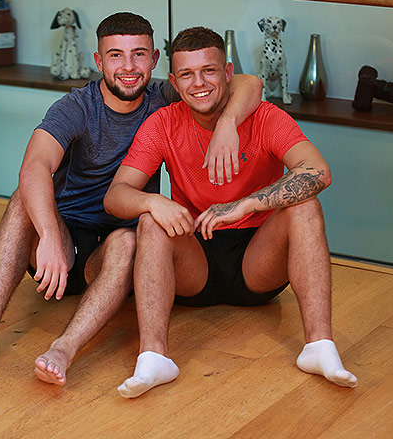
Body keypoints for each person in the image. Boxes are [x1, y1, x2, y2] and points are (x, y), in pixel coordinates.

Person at [0, 13, 263, 386]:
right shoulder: (76, 107)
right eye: (116, 55)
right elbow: (34, 167)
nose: (128, 67)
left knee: (127, 241)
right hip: (61, 246)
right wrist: (48, 235)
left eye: (139, 54)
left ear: (154, 60)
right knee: (22, 199)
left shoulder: (165, 95)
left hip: (117, 248)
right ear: (99, 61)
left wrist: (227, 124)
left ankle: (63, 349)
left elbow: (249, 82)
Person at [104, 26, 358, 398]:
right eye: (187, 74)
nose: (198, 83)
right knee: (149, 220)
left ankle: (319, 348)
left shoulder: (266, 117)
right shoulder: (163, 123)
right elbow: (116, 195)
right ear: (174, 82)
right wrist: (152, 201)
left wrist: (247, 204)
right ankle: (153, 358)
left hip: (259, 260)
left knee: (306, 205)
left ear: (228, 73)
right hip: (195, 260)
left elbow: (318, 172)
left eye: (208, 71)